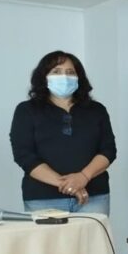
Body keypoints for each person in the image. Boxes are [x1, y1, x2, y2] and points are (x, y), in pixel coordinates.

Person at [10, 51, 116, 214]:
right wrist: (71, 185)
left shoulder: (97, 110)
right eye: (56, 72)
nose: (64, 77)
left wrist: (83, 177)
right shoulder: (26, 110)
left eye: (70, 72)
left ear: (79, 77)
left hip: (94, 197)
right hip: (43, 199)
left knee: (92, 233)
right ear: (44, 77)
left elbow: (108, 150)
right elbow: (24, 155)